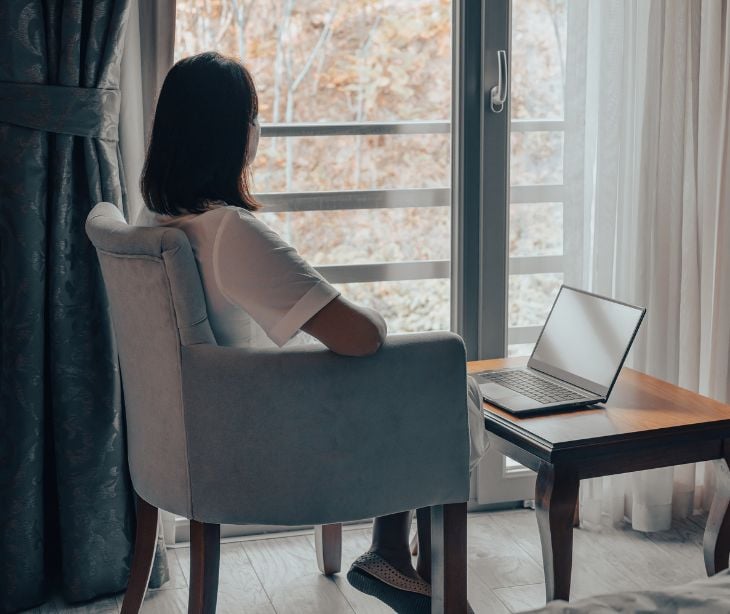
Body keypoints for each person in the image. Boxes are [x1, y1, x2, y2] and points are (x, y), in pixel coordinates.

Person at [137, 51, 487, 614]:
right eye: (253, 119)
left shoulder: (155, 225)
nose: (257, 133)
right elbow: (361, 336)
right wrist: (370, 317)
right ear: (233, 135)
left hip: (208, 435)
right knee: (441, 378)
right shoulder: (231, 232)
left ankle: (393, 551)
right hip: (275, 445)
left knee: (415, 376)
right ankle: (424, 576)